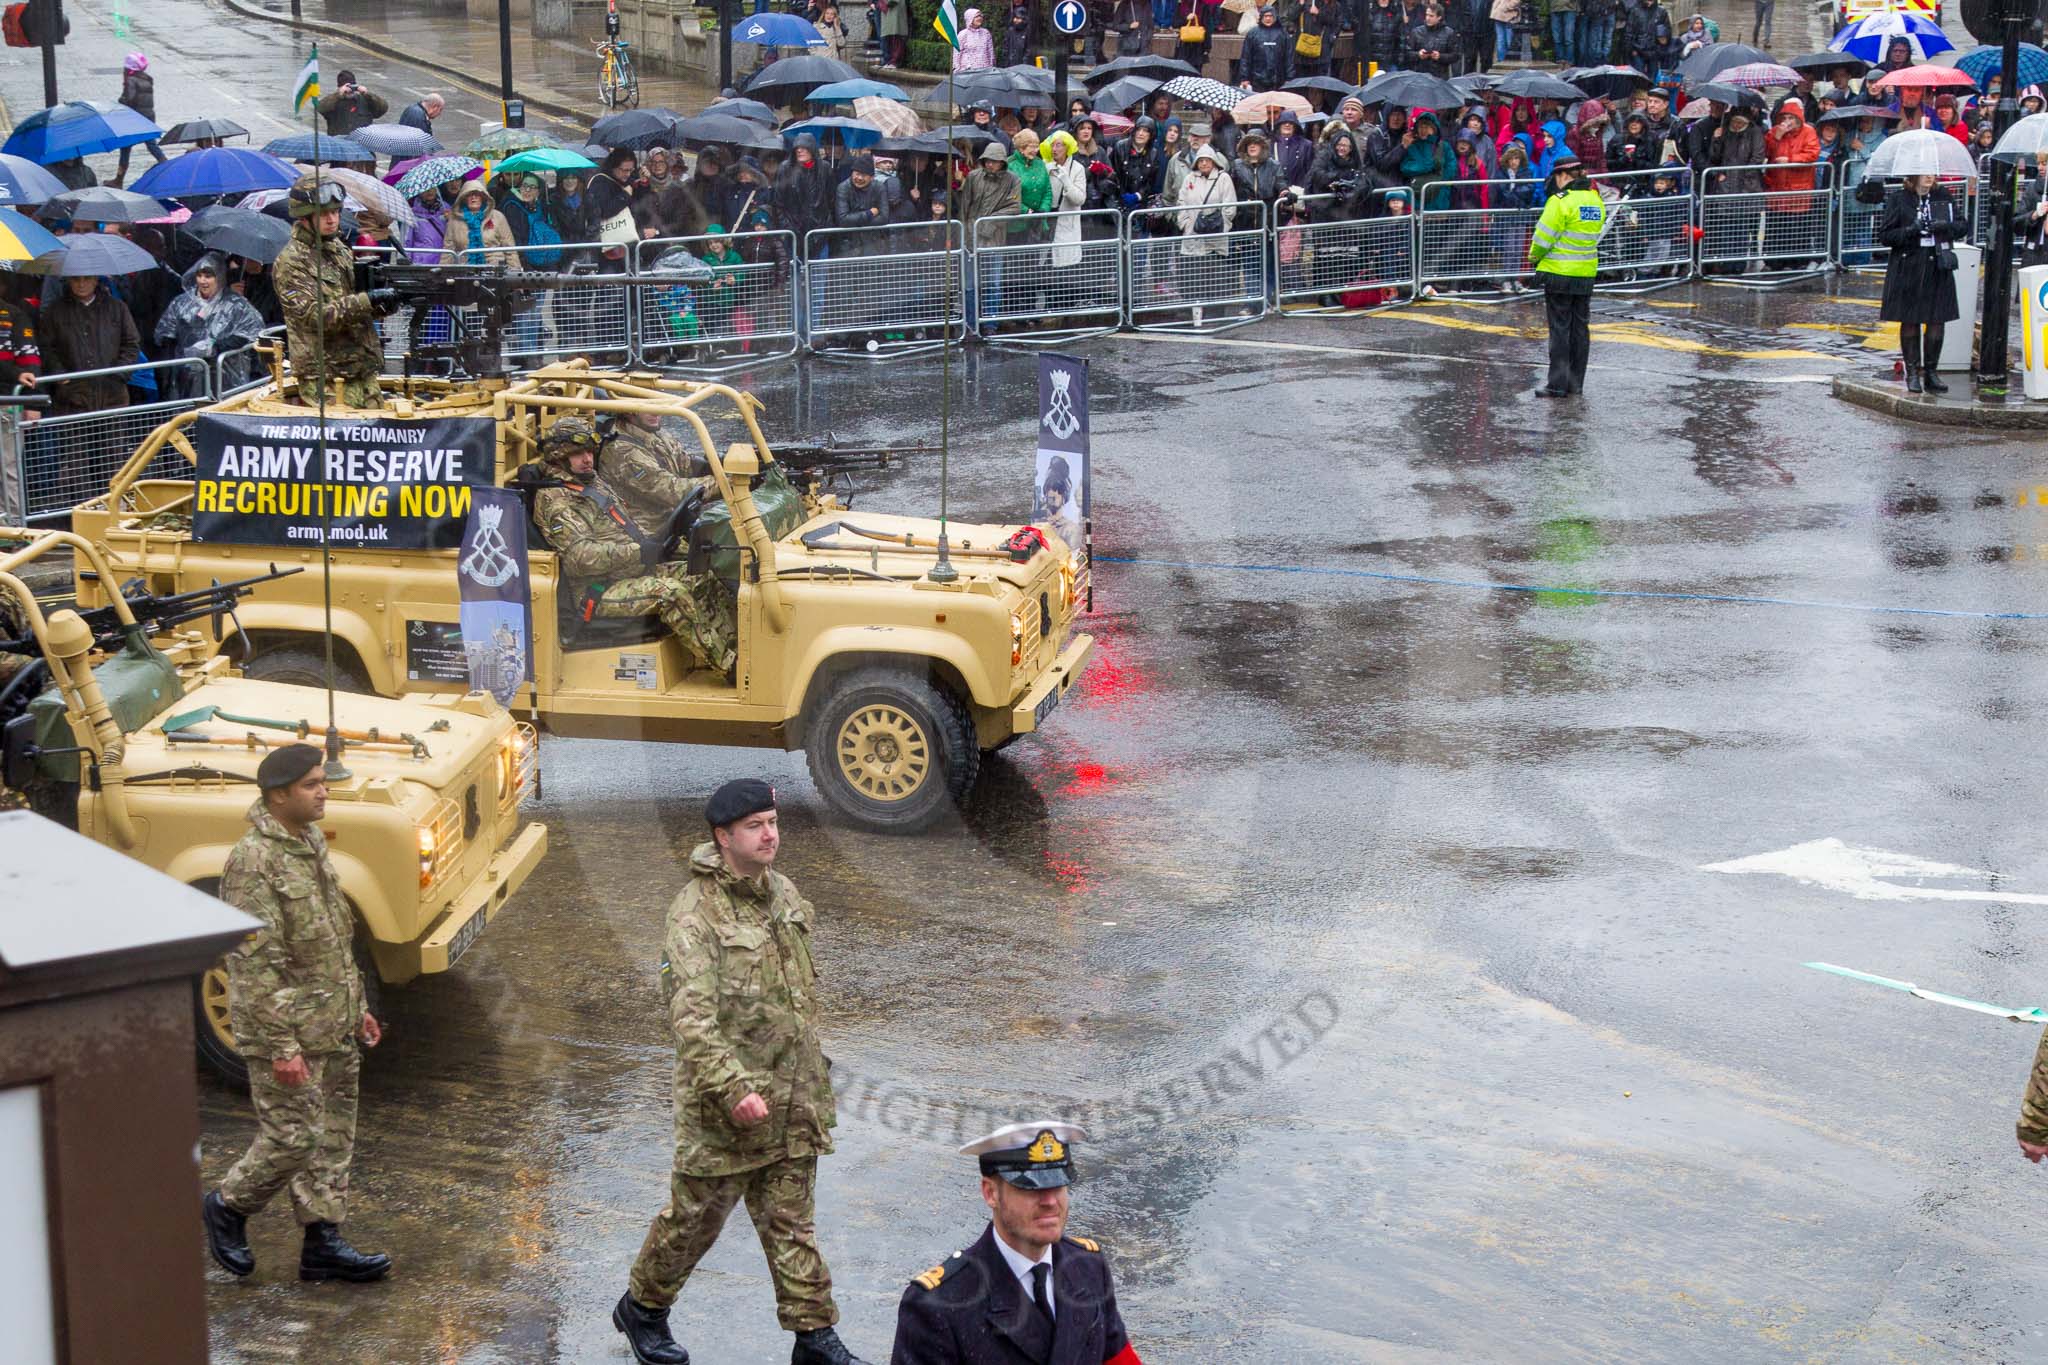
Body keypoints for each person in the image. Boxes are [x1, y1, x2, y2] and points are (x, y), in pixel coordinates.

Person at [614, 779, 869, 1365]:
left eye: (773, 821)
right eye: (754, 825)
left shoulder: (783, 893)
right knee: (693, 1221)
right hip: (726, 1106)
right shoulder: (693, 914)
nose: (770, 833)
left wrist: (812, 1069)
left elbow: (800, 995)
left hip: (792, 1094)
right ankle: (643, 1309)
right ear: (722, 837)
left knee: (792, 1222)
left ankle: (814, 1338)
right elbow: (691, 1019)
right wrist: (732, 1088)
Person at [200, 743, 391, 1286]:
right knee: (294, 1137)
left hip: (331, 1022)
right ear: (278, 795)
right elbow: (256, 963)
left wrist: (358, 1008)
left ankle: (322, 1242)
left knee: (332, 1136)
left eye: (323, 781)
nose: (324, 790)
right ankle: (229, 1206)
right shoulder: (253, 862)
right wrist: (282, 1047)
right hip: (286, 1033)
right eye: (311, 784)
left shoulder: (307, 842)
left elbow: (332, 937)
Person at [888, 1122, 1140, 1365]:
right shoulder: (939, 1305)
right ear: (991, 1193)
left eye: (1058, 1184)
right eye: (1031, 1188)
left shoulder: (1088, 1268)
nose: (1050, 1201)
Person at [531, 418, 737, 672]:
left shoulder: (589, 481)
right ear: (558, 457)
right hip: (598, 588)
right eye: (576, 454)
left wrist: (661, 539)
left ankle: (732, 646)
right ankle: (729, 667)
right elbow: (578, 559)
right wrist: (639, 552)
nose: (586, 459)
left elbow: (624, 525)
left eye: (588, 452)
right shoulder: (557, 501)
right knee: (671, 594)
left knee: (700, 573)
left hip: (628, 571)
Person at [274, 176, 399, 409]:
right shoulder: (292, 262)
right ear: (304, 218)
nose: (332, 219)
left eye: (335, 212)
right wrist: (366, 301)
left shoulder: (338, 248)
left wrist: (380, 305)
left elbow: (349, 302)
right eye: (323, 214)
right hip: (325, 376)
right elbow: (314, 318)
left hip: (359, 367)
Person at [1878, 172, 1962, 394]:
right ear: (1913, 176)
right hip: (1909, 266)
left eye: (1932, 173)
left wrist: (1946, 226)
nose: (1930, 177)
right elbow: (1885, 235)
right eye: (1925, 173)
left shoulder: (1943, 195)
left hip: (1937, 264)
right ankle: (1913, 373)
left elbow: (1963, 226)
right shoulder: (1899, 198)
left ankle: (1931, 373)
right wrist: (1910, 230)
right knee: (1910, 320)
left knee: (1937, 320)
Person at [1528, 153, 1602, 398]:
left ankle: (1557, 384)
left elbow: (1542, 239)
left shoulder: (1560, 201)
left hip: (1559, 273)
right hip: (1586, 272)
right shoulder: (1594, 199)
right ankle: (1576, 384)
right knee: (1580, 329)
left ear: (1563, 176)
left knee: (1560, 330)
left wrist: (1533, 257)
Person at [155, 253, 265, 398]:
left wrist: (214, 347)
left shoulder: (236, 304)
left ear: (219, 277)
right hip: (187, 375)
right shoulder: (181, 303)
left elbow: (251, 332)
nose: (202, 281)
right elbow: (166, 334)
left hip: (224, 378)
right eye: (199, 276)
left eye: (208, 276)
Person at [38, 275, 141, 415]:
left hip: (113, 396)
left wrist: (120, 374)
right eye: (76, 279)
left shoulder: (117, 308)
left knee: (113, 436)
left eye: (87, 279)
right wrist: (60, 375)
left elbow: (131, 343)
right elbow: (46, 348)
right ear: (69, 281)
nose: (81, 284)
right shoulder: (55, 311)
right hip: (72, 399)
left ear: (96, 280)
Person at [111, 53, 166, 187]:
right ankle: (164, 163)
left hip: (134, 119)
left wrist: (120, 101)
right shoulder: (147, 79)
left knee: (125, 147)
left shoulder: (131, 80)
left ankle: (119, 179)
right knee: (151, 145)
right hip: (148, 117)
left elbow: (129, 99)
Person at [1043, 131, 1090, 268]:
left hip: (1067, 227)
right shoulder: (1044, 166)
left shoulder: (1077, 168)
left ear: (1067, 147)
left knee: (1065, 268)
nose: (1054, 149)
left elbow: (1080, 199)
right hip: (1046, 226)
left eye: (1059, 145)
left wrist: (1066, 180)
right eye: (1052, 145)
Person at [317, 70, 388, 137]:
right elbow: (320, 108)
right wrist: (338, 94)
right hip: (340, 144)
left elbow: (383, 108)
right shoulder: (334, 101)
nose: (349, 90)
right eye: (346, 87)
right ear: (339, 87)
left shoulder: (366, 100)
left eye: (352, 86)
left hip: (361, 145)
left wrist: (367, 94)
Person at [1239, 7, 1294, 91]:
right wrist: (1244, 78)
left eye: (1271, 16)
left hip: (1278, 79)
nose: (1268, 18)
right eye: (1265, 16)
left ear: (1275, 17)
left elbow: (1289, 57)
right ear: (1261, 17)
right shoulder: (1252, 34)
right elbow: (1246, 57)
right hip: (1257, 79)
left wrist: (1290, 78)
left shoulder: (1283, 34)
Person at [1401, 3, 1455, 79]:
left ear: (1439, 17)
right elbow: (1407, 53)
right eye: (1427, 15)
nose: (1427, 18)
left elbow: (1455, 56)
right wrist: (1418, 55)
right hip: (1420, 75)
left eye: (1431, 16)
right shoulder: (1416, 31)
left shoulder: (1449, 33)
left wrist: (1440, 56)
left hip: (1439, 77)